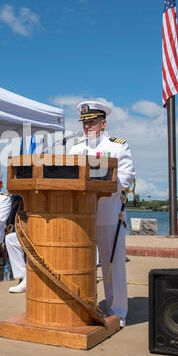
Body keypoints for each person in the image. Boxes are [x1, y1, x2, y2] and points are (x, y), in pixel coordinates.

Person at [69, 101, 135, 328]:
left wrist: (99, 184)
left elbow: (126, 177)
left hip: (108, 216)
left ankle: (117, 311)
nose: (88, 126)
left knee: (112, 266)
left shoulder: (118, 146)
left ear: (103, 123)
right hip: (81, 218)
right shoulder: (75, 148)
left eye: (93, 122)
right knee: (81, 265)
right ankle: (85, 305)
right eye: (85, 123)